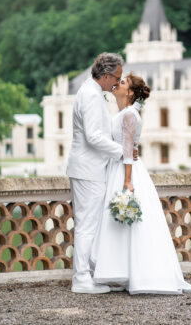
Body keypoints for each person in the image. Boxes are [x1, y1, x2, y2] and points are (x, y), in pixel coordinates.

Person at [91, 73, 191, 295]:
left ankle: (136, 272)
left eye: (122, 83)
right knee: (118, 223)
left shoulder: (129, 115)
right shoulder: (123, 113)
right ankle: (121, 271)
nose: (117, 84)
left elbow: (128, 150)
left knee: (129, 222)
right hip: (117, 168)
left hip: (125, 171)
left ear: (129, 93)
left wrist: (127, 180)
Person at [66, 52, 137, 294]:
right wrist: (122, 152)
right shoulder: (90, 96)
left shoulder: (92, 93)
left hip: (89, 168)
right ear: (105, 76)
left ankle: (90, 273)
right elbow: (94, 136)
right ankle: (81, 279)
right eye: (116, 78)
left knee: (91, 225)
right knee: (86, 226)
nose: (117, 83)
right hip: (88, 169)